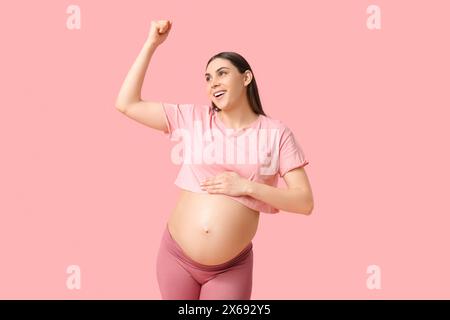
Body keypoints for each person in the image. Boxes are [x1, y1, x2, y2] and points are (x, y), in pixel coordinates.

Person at [115, 20, 314, 300]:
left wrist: (246, 187)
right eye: (208, 78)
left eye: (222, 73)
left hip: (230, 268)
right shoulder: (192, 118)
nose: (213, 83)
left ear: (246, 78)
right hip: (175, 258)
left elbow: (304, 202)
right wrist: (151, 45)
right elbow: (126, 103)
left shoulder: (276, 133)